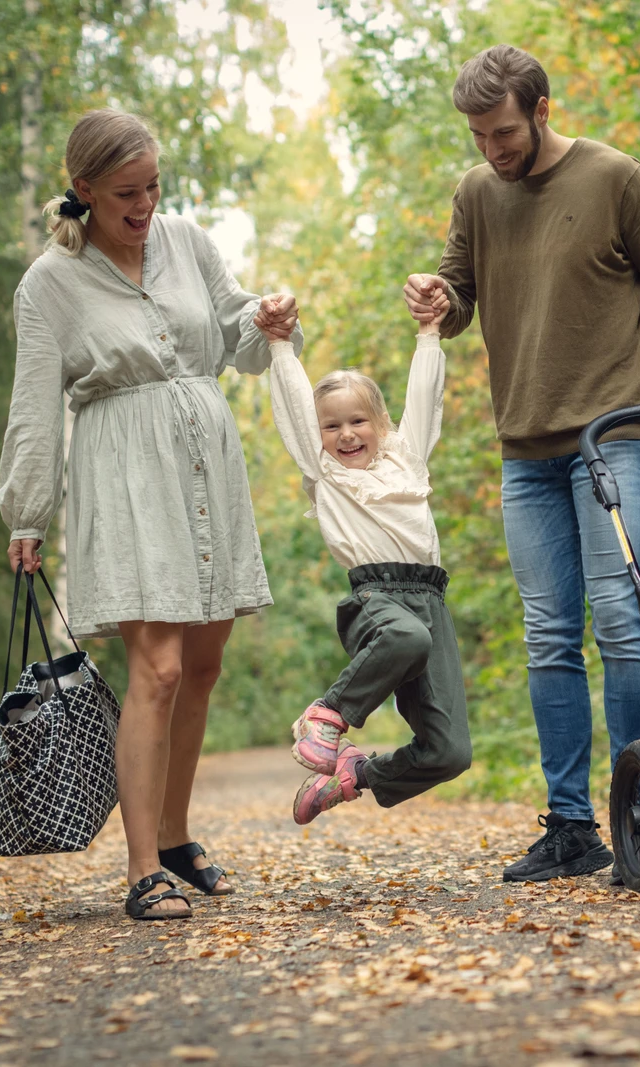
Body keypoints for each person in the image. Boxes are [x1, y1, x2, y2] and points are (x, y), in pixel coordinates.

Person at [0, 108, 301, 920]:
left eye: (153, 187)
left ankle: (173, 835)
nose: (144, 205)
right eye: (127, 193)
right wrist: (27, 511)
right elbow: (34, 405)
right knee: (158, 668)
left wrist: (267, 321)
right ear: (85, 189)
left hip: (207, 464)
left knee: (202, 664)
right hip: (125, 473)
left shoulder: (189, 243)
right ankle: (141, 870)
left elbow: (236, 337)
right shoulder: (49, 283)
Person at [402, 45, 640, 882]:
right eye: (477, 136)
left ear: (540, 109)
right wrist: (439, 299)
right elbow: (459, 296)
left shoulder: (614, 178)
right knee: (549, 636)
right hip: (525, 448)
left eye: (502, 132)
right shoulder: (476, 192)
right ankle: (571, 826)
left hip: (615, 438)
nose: (491, 149)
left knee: (622, 620)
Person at [266, 305, 470, 824]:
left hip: (432, 599)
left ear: (381, 423)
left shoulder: (407, 458)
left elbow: (424, 400)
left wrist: (429, 334)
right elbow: (293, 408)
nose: (346, 435)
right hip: (376, 600)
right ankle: (327, 714)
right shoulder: (325, 472)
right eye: (331, 426)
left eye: (358, 421)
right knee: (406, 637)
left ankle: (354, 775)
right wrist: (280, 345)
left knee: (450, 753)